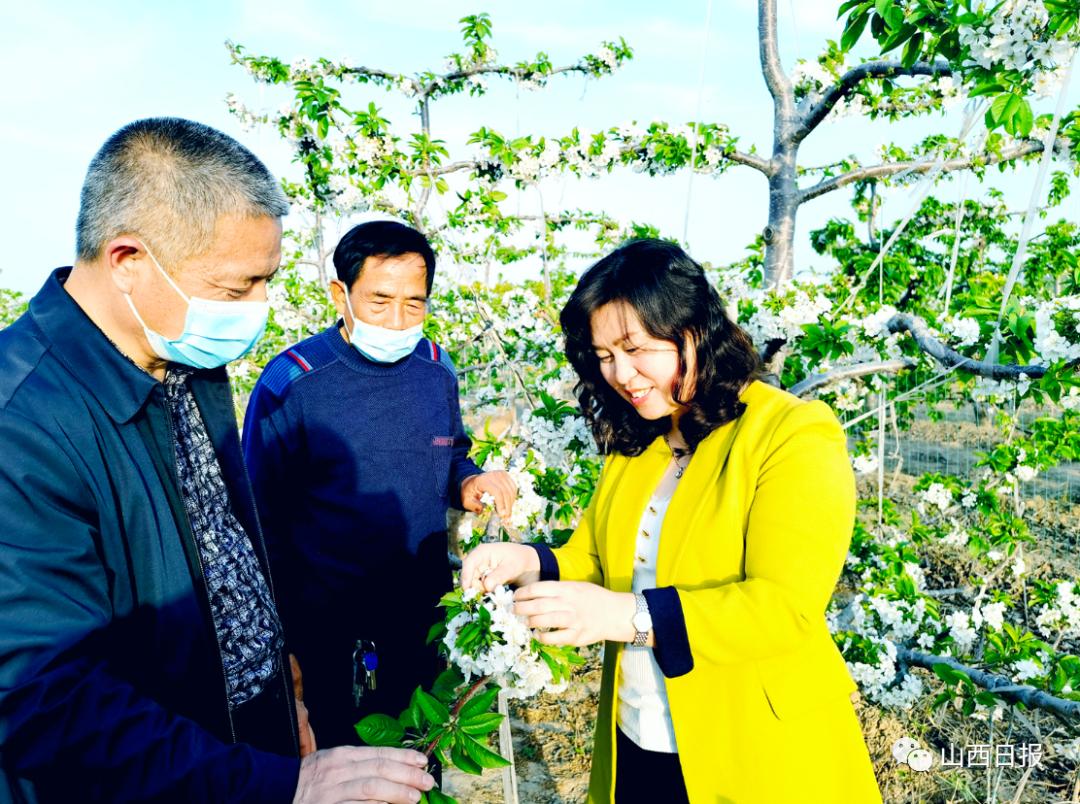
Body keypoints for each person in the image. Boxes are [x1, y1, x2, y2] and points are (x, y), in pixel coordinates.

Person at [0, 118, 434, 804]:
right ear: (128, 261)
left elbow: (225, 538)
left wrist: (277, 673)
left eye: (267, 280)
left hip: (241, 749)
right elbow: (45, 700)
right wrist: (272, 785)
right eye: (237, 289)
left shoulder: (186, 362)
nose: (258, 308)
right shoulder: (21, 424)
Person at [462, 239, 882, 803]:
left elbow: (783, 606)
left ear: (693, 330)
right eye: (605, 356)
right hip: (639, 732)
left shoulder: (791, 433)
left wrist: (625, 616)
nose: (622, 375)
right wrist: (528, 560)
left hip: (753, 743)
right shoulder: (641, 440)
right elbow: (594, 557)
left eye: (636, 349)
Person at [242, 219, 516, 749]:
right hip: (319, 621)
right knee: (331, 755)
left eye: (414, 304)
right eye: (379, 301)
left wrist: (469, 480)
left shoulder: (435, 369)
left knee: (416, 749)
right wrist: (281, 642)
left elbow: (451, 451)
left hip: (417, 608)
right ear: (339, 294)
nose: (397, 321)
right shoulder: (293, 381)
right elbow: (257, 516)